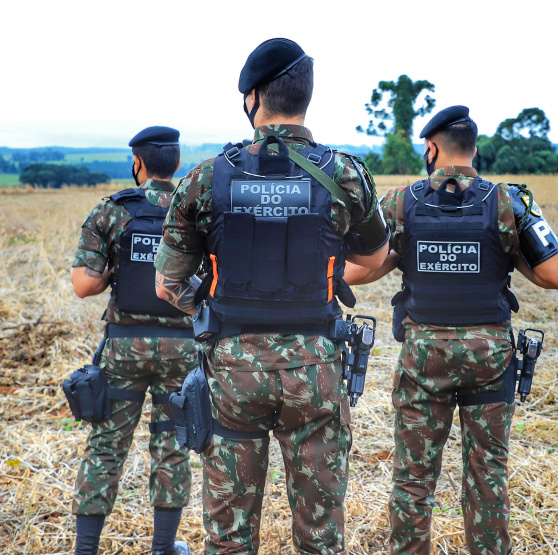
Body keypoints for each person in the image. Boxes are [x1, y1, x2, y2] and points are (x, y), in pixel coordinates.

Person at [153, 38, 389, 554]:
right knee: (320, 533)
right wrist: (322, 283)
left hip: (232, 372)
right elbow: (374, 258)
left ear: (252, 98)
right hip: (318, 370)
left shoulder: (205, 178)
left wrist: (210, 307)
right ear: (306, 98)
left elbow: (167, 283)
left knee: (229, 537)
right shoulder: (345, 173)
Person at [343, 105, 558, 555]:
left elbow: (355, 272)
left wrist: (400, 256)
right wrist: (512, 258)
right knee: (488, 478)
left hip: (423, 361)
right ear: (474, 150)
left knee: (413, 480)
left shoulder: (401, 201)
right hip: (490, 360)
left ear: (432, 149)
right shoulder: (508, 201)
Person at [70, 126, 195, 555]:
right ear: (177, 164)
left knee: (106, 446)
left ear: (137, 164)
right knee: (172, 444)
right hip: (182, 350)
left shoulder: (113, 211)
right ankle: (164, 547)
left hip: (124, 348)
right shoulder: (196, 209)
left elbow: (83, 286)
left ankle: (85, 549)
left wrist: (109, 274)